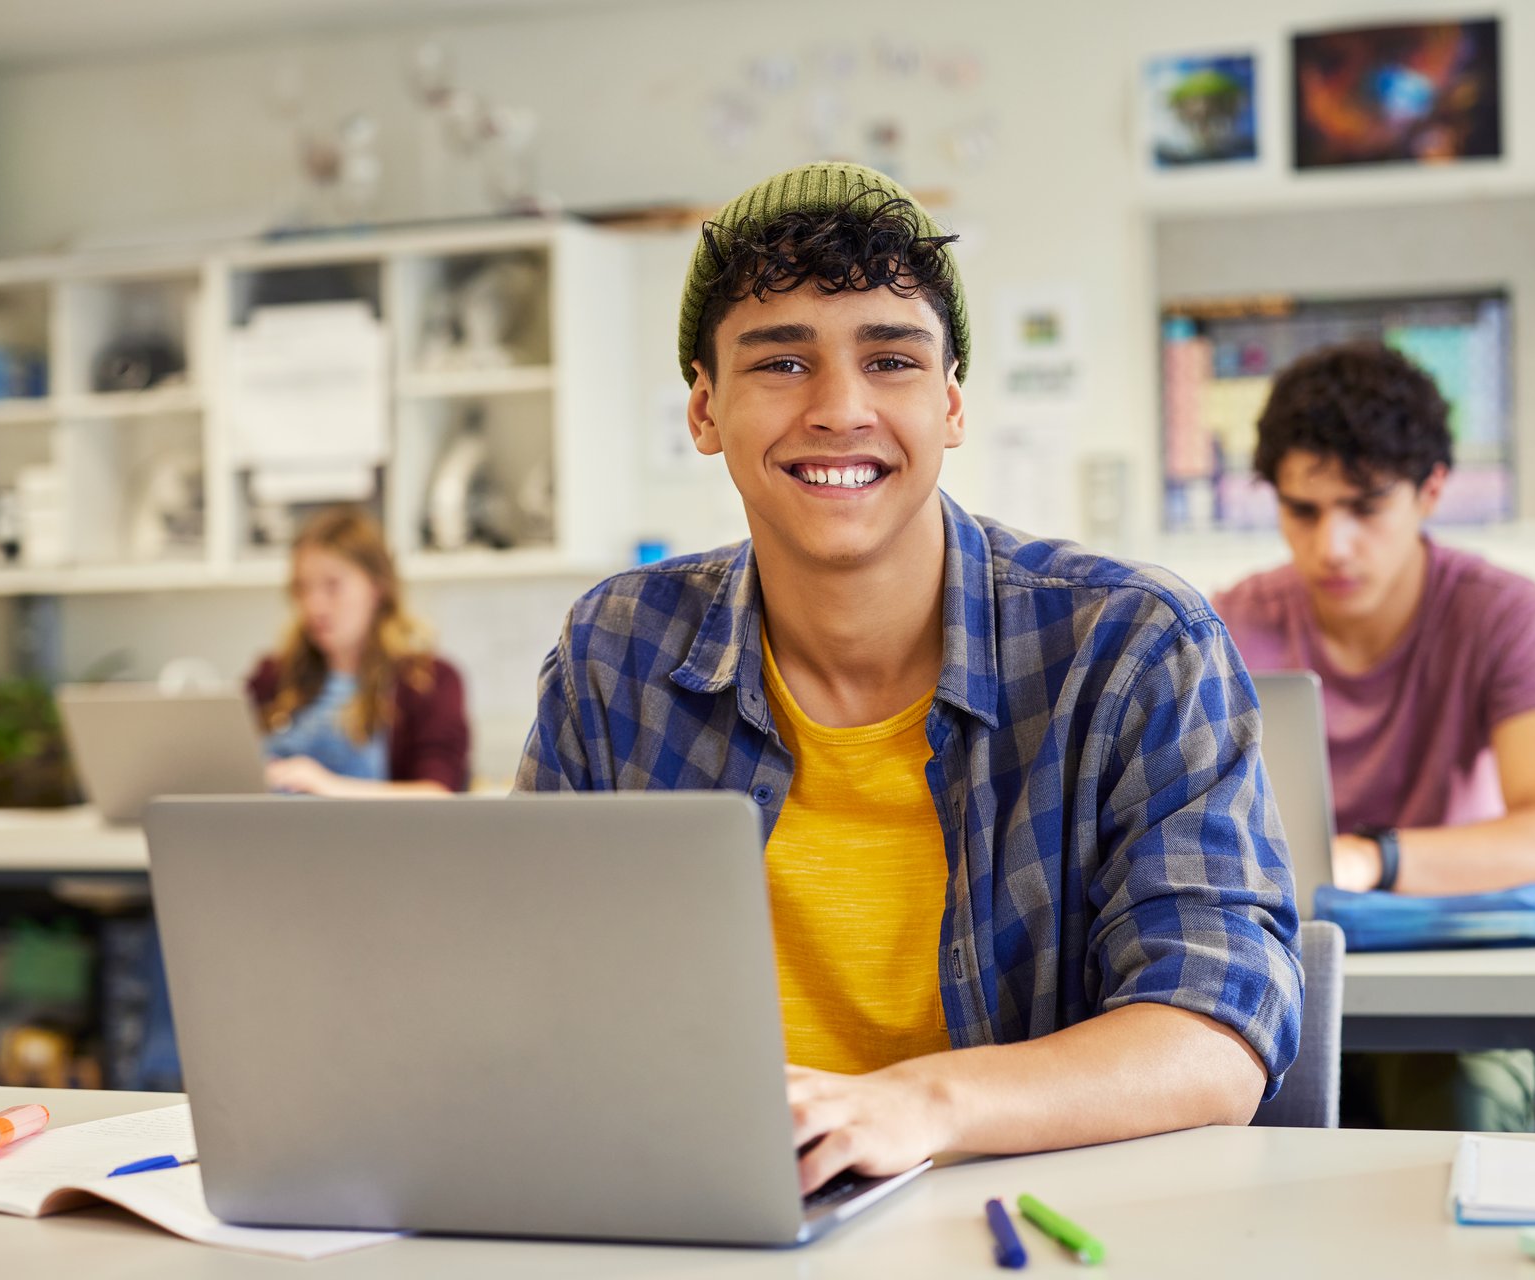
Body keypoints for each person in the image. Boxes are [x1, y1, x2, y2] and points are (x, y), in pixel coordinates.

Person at [516, 162, 1301, 1193]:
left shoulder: (1133, 646)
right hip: (703, 1221)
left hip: (1026, 1226)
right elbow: (532, 1003)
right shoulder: (614, 653)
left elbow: (1217, 1027)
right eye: (782, 362)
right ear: (704, 410)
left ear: (951, 403)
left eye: (891, 360)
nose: (841, 409)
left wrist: (919, 1105)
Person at [1213, 342, 1535, 1129]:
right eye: (1303, 511)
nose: (1332, 545)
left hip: (1452, 983)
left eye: (1365, 507)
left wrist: (1371, 858)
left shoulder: (1500, 615)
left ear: (1431, 491)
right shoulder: (1227, 623)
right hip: (1285, 977)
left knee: (1458, 1104)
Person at [247, 506, 470, 796]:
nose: (314, 606)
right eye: (303, 588)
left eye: (333, 586)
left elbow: (436, 795)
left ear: (377, 587)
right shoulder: (272, 676)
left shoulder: (429, 681)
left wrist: (325, 785)